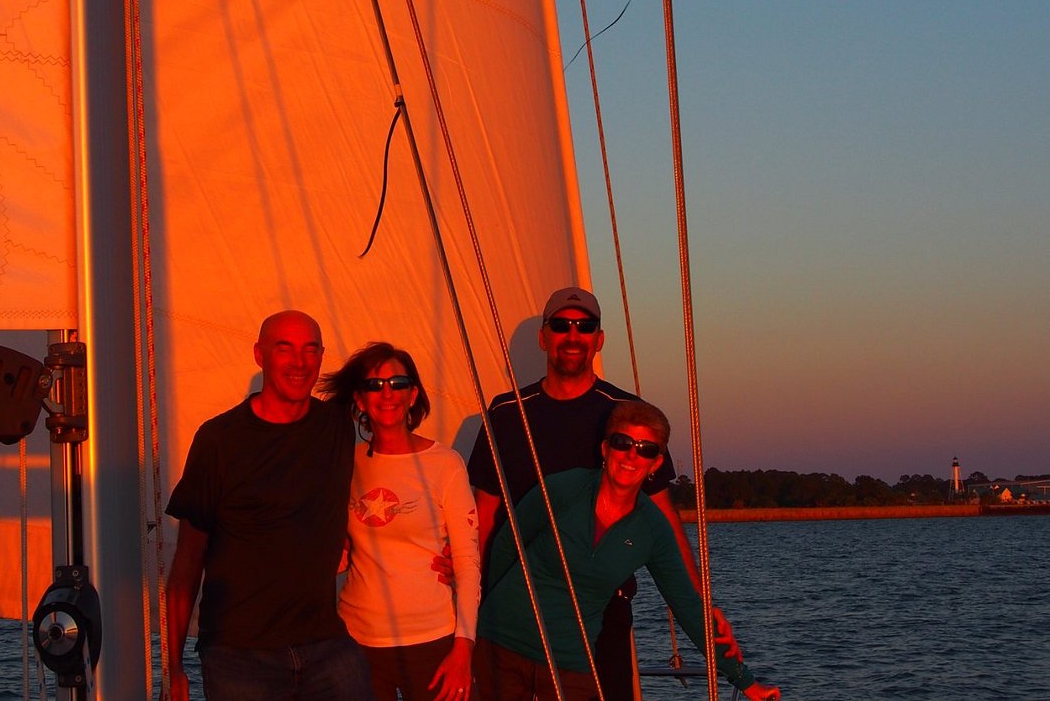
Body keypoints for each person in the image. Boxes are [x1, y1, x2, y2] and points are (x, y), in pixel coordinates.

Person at [465, 287, 739, 701]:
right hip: (514, 615)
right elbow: (485, 518)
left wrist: (702, 606)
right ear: (544, 337)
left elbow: (662, 518)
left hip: (601, 610)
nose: (572, 335)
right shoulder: (506, 414)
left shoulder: (627, 417)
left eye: (584, 326)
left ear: (599, 339)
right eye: (561, 326)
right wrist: (475, 608)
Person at [474, 401, 780, 701]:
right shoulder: (562, 489)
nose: (632, 455)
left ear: (656, 463)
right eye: (623, 443)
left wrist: (747, 682)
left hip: (570, 662)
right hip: (500, 646)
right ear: (605, 449)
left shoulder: (651, 529)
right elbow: (505, 547)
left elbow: (687, 607)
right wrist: (485, 617)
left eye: (646, 448)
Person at [161, 310, 371, 701]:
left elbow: (397, 451)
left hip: (326, 645)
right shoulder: (220, 440)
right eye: (285, 349)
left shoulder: (338, 427)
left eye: (311, 350)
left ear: (322, 356)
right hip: (239, 656)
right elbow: (188, 559)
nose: (300, 362)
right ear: (260, 355)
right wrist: (173, 668)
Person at [320, 342, 480, 701]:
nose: (386, 393)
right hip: (355, 641)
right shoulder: (345, 462)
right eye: (374, 386)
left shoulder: (445, 464)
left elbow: (468, 565)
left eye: (398, 383)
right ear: (359, 400)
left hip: (433, 641)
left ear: (413, 395)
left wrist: (464, 649)